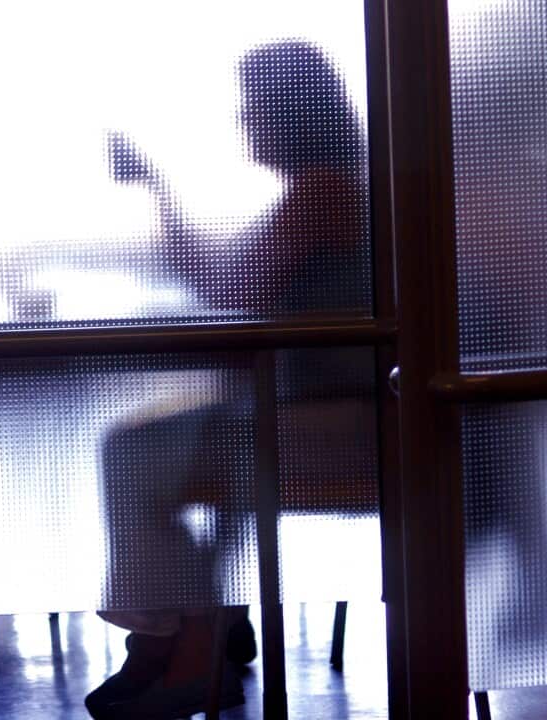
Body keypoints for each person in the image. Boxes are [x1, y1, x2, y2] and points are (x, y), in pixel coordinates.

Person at [87, 40, 374, 719]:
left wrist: (157, 187)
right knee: (158, 438)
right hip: (332, 415)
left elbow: (230, 289)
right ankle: (189, 628)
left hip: (335, 428)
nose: (243, 121)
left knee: (130, 450)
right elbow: (228, 280)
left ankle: (184, 643)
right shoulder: (331, 188)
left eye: (254, 107)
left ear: (291, 114)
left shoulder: (326, 191)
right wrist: (157, 188)